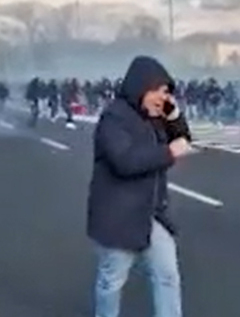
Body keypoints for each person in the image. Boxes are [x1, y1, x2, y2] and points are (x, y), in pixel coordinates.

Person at [88, 55, 194, 317]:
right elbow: (124, 161)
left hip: (150, 214)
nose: (163, 98)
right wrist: (168, 153)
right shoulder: (114, 118)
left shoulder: (154, 117)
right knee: (111, 282)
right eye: (158, 91)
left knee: (167, 275)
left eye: (167, 93)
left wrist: (174, 115)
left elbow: (183, 139)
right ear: (140, 87)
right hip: (118, 218)